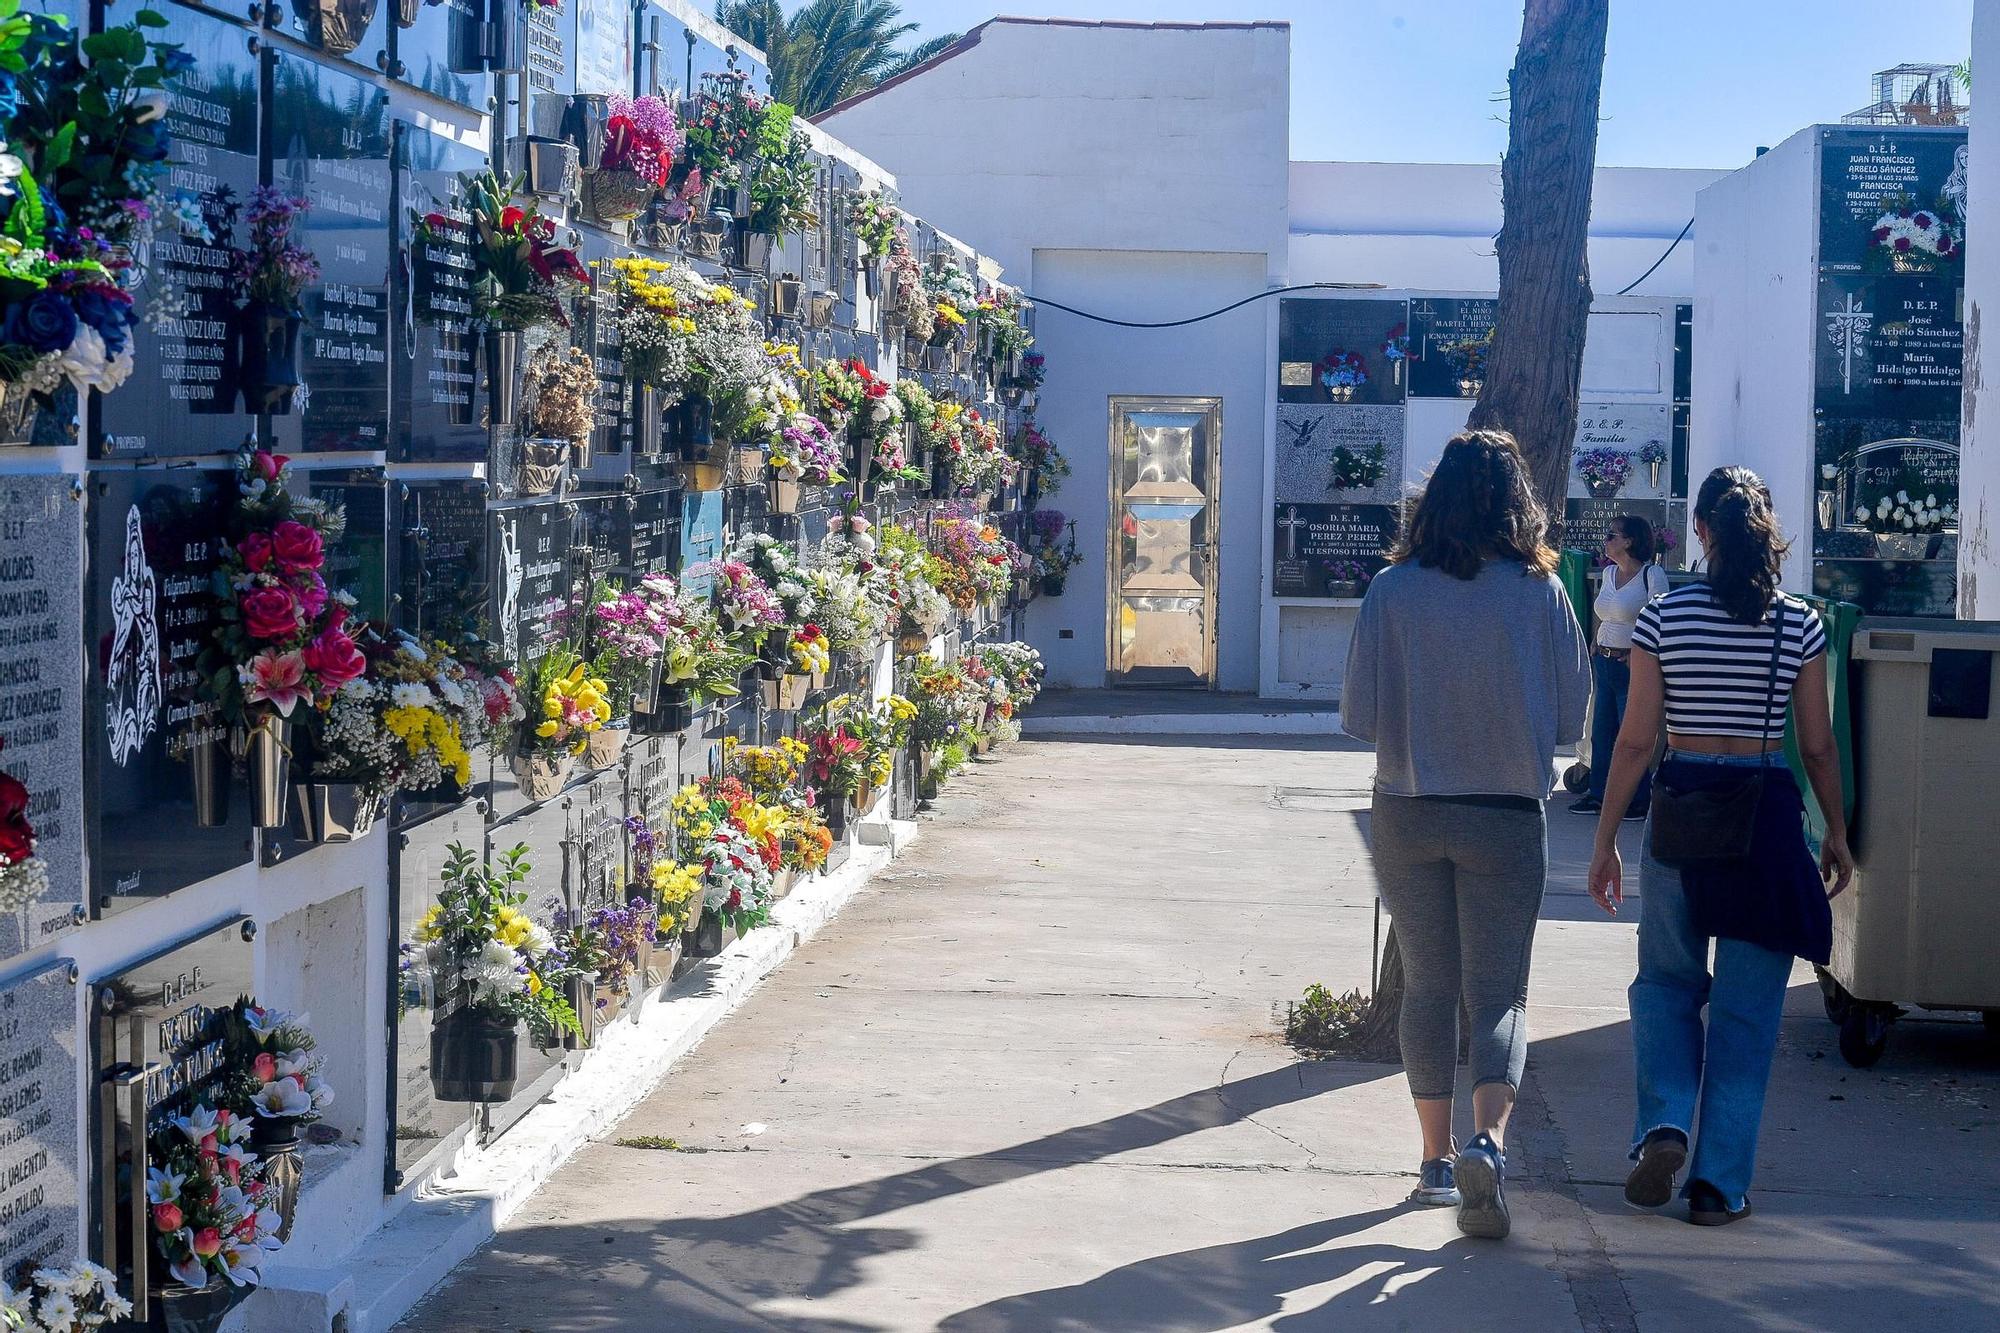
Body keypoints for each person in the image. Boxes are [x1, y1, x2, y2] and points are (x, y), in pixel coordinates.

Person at [1586, 466, 1854, 1226]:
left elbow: (1634, 742)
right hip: (1763, 821)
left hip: (1681, 815)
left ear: (1700, 531)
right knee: (1747, 1010)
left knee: (1666, 984)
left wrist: (1605, 840)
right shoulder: (1799, 623)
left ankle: (1665, 1123)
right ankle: (1718, 1185)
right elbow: (1819, 746)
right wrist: (1835, 830)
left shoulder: (1663, 618)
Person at [1343, 429, 1591, 1240]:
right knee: (1499, 994)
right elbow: (1572, 714)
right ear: (1519, 501)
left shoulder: (1391, 589)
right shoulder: (1540, 591)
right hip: (1506, 813)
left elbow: (1359, 715)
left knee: (1428, 987)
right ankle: (1488, 1142)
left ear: (1433, 499)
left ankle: (1434, 1162)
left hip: (1408, 807)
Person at [1570, 515, 1669, 820]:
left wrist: (1641, 653)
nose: (1606, 540)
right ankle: (1598, 793)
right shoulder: (1609, 572)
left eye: (1612, 535)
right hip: (1605, 660)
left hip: (1633, 664)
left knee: (1632, 736)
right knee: (1601, 732)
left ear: (1630, 541)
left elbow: (1660, 619)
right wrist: (1596, 640)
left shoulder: (1651, 575)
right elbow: (1606, 611)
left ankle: (1637, 799)